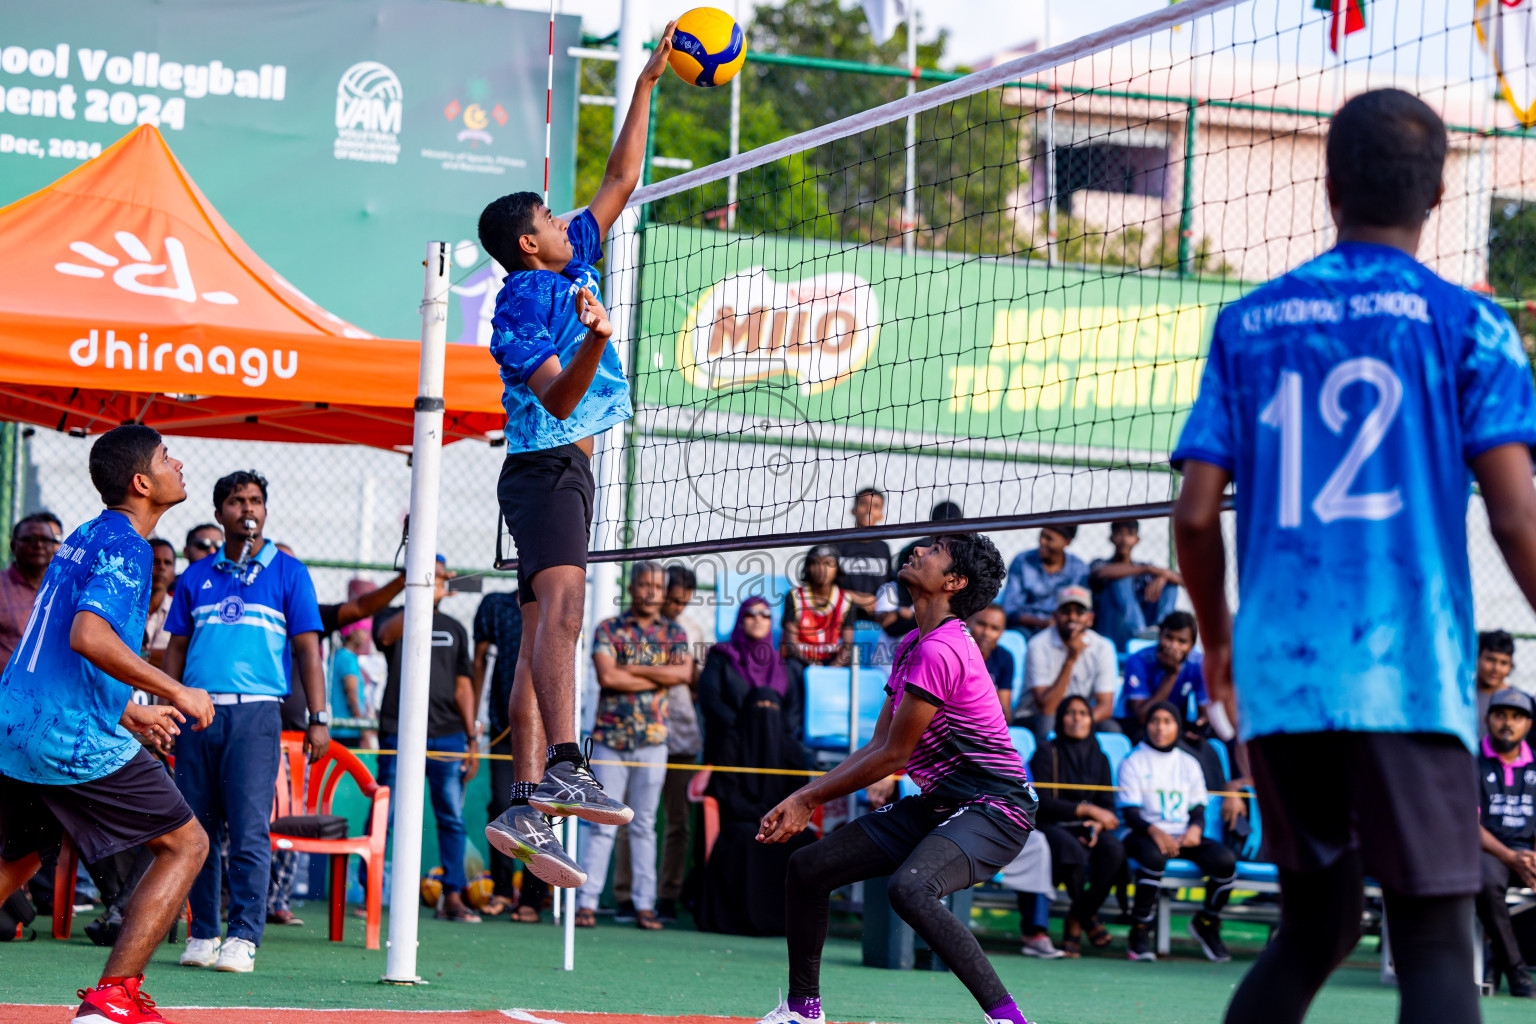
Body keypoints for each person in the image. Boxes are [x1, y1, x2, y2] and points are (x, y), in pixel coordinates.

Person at [1173, 89, 1536, 1024]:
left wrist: (1217, 641)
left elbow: (1198, 512)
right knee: (1431, 944)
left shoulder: (1249, 323)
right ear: (1441, 193)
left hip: (1284, 680)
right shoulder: (1471, 324)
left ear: (1328, 186)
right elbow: (1513, 514)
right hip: (1405, 675)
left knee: (1316, 926)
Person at [479, 23, 679, 879]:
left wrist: (645, 83)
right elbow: (560, 400)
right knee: (564, 615)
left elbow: (622, 179)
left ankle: (524, 808)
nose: (568, 221)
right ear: (530, 241)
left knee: (539, 642)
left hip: (566, 472)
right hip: (547, 469)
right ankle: (566, 764)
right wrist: (599, 339)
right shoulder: (524, 297)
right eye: (552, 219)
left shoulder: (570, 265)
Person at [753, 533, 1039, 1024]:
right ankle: (804, 1011)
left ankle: (1008, 1019)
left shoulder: (943, 650)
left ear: (954, 581)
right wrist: (803, 796)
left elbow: (894, 757)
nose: (918, 551)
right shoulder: (913, 644)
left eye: (934, 552)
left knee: (909, 889)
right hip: (943, 802)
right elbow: (877, 747)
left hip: (997, 809)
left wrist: (810, 800)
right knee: (808, 868)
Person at [0, 425, 214, 1024]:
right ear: (143, 482)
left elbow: (63, 651)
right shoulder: (129, 546)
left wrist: (129, 710)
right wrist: (173, 688)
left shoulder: (85, 536)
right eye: (167, 457)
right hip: (62, 737)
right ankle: (113, 997)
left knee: (16, 863)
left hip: (17, 724)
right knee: (186, 843)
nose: (179, 462)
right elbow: (88, 636)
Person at [162, 469, 329, 974]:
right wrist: (167, 705)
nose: (247, 509)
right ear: (219, 513)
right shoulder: (195, 577)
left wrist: (319, 717)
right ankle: (204, 932)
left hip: (256, 711)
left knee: (249, 828)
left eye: (255, 500)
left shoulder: (288, 572)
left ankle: (243, 937)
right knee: (196, 829)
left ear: (265, 509)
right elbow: (176, 648)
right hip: (196, 712)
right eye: (236, 501)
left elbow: (307, 649)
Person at [574, 562, 692, 930]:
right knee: (603, 824)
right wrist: (655, 675)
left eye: (657, 585)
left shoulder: (675, 632)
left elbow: (683, 675)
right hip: (610, 741)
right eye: (644, 584)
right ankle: (586, 902)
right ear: (632, 587)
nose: (651, 592)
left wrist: (632, 671)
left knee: (643, 827)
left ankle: (645, 906)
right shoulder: (608, 627)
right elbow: (607, 675)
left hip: (654, 742)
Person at [373, 556, 480, 923]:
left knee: (451, 817)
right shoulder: (391, 617)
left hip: (448, 737)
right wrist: (418, 595)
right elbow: (384, 637)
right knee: (385, 816)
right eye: (428, 576)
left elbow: (464, 685)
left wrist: (472, 738)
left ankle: (452, 896)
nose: (437, 582)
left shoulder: (455, 627)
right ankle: (370, 892)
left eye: (440, 577)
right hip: (398, 733)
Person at [614, 564, 706, 923]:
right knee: (631, 816)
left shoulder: (692, 630)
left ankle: (667, 894)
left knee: (677, 822)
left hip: (680, 735)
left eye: (682, 602)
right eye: (672, 599)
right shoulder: (627, 628)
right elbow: (615, 673)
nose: (676, 607)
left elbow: (691, 678)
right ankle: (625, 895)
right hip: (638, 731)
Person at [1118, 701, 1236, 964]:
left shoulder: (1188, 763)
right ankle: (1139, 931)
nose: (1160, 727)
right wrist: (1156, 832)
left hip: (1183, 834)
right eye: (1155, 721)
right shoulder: (1133, 761)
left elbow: (1197, 808)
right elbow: (1131, 813)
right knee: (1153, 860)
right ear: (1147, 725)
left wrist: (1195, 829)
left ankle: (1207, 922)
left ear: (1177, 726)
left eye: (1167, 721)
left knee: (1225, 862)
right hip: (1143, 833)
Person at [697, 686, 815, 936]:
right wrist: (759, 815)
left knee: (803, 841)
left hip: (783, 821)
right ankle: (738, 920)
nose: (765, 716)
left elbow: (800, 792)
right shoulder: (732, 742)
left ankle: (791, 922)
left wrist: (778, 817)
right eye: (759, 708)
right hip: (740, 819)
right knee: (743, 840)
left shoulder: (789, 747)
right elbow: (725, 790)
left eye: (771, 709)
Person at [1029, 695, 1123, 957]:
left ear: (1091, 719)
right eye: (1070, 713)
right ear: (1060, 719)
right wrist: (1086, 810)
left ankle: (1078, 916)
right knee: (1071, 850)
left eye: (1083, 713)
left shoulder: (1100, 757)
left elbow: (1108, 805)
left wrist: (1096, 824)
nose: (1077, 718)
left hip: (1088, 827)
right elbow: (1043, 802)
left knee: (1113, 851)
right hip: (1052, 824)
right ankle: (1087, 920)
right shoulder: (1047, 751)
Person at [472, 586, 545, 921]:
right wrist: (473, 722)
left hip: (545, 730)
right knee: (502, 805)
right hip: (505, 726)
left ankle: (532, 898)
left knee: (538, 809)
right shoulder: (495, 605)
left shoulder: (554, 602)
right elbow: (478, 662)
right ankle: (502, 889)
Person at [1476, 689, 1536, 997]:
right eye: (1500, 715)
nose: (1507, 723)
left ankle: (1497, 955)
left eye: (1517, 717)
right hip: (1489, 852)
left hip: (1528, 853)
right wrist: (1511, 856)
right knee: (1485, 882)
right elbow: (1467, 824)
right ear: (1488, 719)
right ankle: (1517, 970)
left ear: (1529, 723)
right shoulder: (1470, 761)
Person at [699, 597, 804, 764]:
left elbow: (792, 711)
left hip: (773, 745)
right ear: (741, 620)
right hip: (733, 741)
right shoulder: (721, 657)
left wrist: (771, 731)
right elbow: (710, 700)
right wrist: (745, 727)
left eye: (765, 614)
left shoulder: (785, 666)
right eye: (750, 614)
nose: (758, 619)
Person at [1015, 586, 1119, 746]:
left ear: (1090, 618)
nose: (1072, 617)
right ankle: (1046, 769)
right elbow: (1047, 706)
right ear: (1055, 616)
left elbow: (1105, 707)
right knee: (1047, 722)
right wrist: (1071, 659)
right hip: (1034, 715)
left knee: (1110, 728)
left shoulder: (1103, 647)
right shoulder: (1038, 644)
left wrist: (1078, 720)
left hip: (1077, 717)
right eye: (1066, 611)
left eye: (1079, 612)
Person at [876, 502, 965, 664]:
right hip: (888, 666)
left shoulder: (947, 592)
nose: (917, 554)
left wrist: (905, 615)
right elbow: (890, 626)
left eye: (932, 553)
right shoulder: (891, 589)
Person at [1088, 520, 1183, 652]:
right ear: (1111, 538)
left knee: (1170, 584)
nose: (1124, 540)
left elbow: (1184, 581)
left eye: (1130, 534)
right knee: (1120, 579)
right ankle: (1140, 632)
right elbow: (1100, 573)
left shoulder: (1146, 570)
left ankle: (1161, 630)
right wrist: (1147, 569)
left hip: (1144, 628)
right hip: (1110, 629)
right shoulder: (1101, 563)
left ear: (1137, 539)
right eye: (1119, 533)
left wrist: (1165, 575)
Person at [1118, 611, 1207, 737]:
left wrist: (1200, 726)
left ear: (1192, 645)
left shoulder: (1198, 663)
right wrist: (1171, 676)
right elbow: (1142, 717)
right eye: (1169, 638)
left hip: (1175, 724)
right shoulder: (1139, 660)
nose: (1173, 646)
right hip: (1137, 725)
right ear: (1160, 636)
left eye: (1182, 641)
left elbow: (1205, 712)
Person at [0, 511, 63, 666]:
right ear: (13, 546)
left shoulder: (64, 590)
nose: (39, 545)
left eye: (46, 540)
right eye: (30, 539)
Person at [1001, 525, 1087, 636]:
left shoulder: (1078, 568)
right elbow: (1010, 608)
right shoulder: (1022, 561)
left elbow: (1081, 608)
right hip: (1024, 628)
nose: (1042, 541)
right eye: (1041, 535)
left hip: (1062, 628)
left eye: (1049, 538)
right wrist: (1042, 623)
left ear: (1067, 541)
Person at [782, 544, 854, 668]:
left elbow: (847, 646)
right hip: (801, 660)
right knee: (792, 667)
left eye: (828, 563)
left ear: (837, 568)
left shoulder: (846, 599)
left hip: (831, 661)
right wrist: (813, 666)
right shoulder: (794, 596)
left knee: (850, 661)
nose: (822, 568)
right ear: (807, 568)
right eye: (816, 563)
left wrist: (832, 668)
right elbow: (791, 644)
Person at [837, 487, 891, 622]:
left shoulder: (883, 548)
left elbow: (890, 583)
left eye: (876, 506)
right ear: (853, 510)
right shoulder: (838, 545)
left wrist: (879, 602)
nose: (869, 509)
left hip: (876, 614)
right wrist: (858, 598)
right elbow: (827, 587)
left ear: (881, 515)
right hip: (843, 613)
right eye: (863, 504)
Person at [966, 603, 1014, 714]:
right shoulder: (953, 652)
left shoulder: (1005, 658)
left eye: (994, 628)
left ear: (1002, 632)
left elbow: (1005, 713)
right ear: (969, 622)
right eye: (981, 624)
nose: (986, 633)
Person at [140, 539, 177, 669]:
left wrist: (140, 653)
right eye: (155, 561)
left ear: (173, 572)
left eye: (167, 563)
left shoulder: (180, 609)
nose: (161, 567)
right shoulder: (124, 605)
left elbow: (180, 658)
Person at [1478, 630, 1517, 736]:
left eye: (1503, 663)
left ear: (1510, 666)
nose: (1496, 669)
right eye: (1490, 660)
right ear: (1477, 658)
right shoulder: (1461, 697)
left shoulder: (1519, 701)